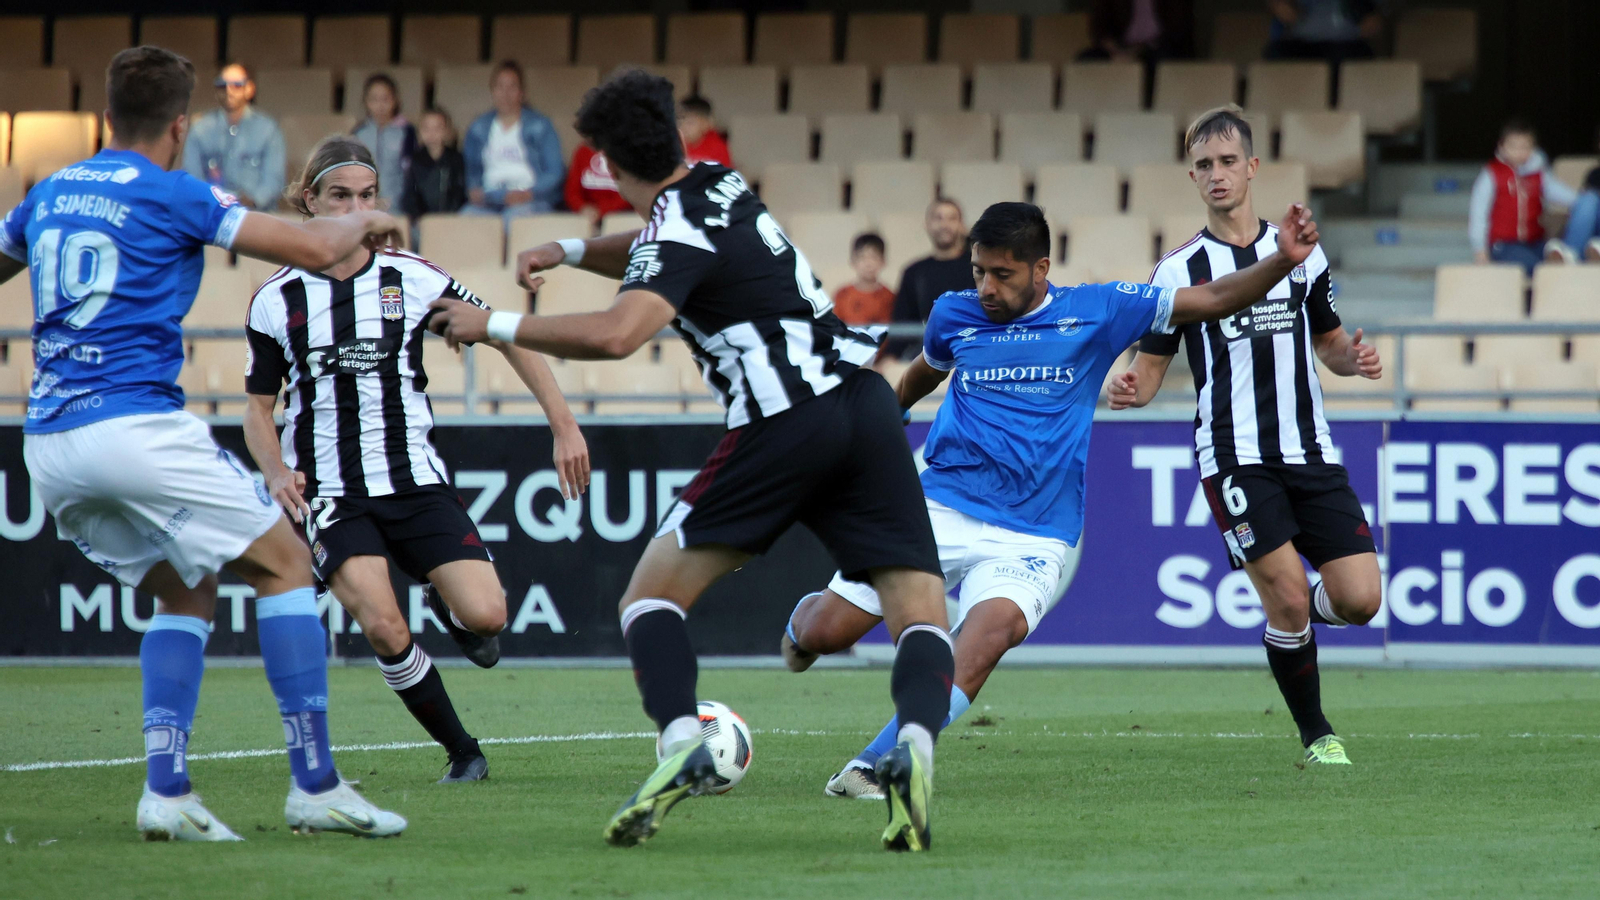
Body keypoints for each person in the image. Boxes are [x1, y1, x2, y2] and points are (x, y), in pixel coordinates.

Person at [428, 70, 955, 853]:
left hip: (784, 422)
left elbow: (619, 333)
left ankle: (683, 739)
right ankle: (913, 745)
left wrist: (494, 322)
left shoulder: (674, 222)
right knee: (920, 608)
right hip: (867, 401)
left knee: (650, 602)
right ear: (677, 137)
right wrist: (570, 248)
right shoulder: (718, 182)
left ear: (606, 162)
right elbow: (655, 246)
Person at [785, 197, 1330, 798]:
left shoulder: (1097, 311)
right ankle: (801, 628)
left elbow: (1216, 298)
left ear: (1041, 269)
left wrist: (1283, 260)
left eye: (1002, 274)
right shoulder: (953, 315)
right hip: (938, 507)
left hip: (1035, 530)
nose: (986, 288)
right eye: (978, 272)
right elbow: (918, 378)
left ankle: (875, 763)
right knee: (823, 634)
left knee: (990, 634)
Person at [0, 46, 407, 840]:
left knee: (185, 587)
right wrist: (371, 216)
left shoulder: (47, 191)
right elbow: (322, 250)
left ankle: (169, 793)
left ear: (108, 115)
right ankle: (316, 786)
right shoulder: (176, 191)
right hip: (133, 426)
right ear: (182, 126)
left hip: (48, 440)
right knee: (287, 561)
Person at [242, 137, 591, 784]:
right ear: (309, 200)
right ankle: (464, 751)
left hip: (413, 481)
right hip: (332, 494)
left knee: (488, 616)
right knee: (382, 623)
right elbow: (258, 409)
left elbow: (504, 334)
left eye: (366, 196)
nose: (354, 208)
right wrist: (272, 469)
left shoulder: (412, 276)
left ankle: (442, 592)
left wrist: (564, 426)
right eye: (339, 196)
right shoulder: (275, 298)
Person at [1108, 106, 1384, 766]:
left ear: (1252, 167)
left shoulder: (1299, 251)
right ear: (1192, 177)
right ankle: (1318, 733)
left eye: (1228, 161)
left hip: (1310, 450)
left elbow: (1330, 344)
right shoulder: (1178, 272)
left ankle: (1291, 619)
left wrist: (1355, 360)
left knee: (1360, 601)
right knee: (1288, 598)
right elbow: (1147, 376)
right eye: (1203, 165)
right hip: (1233, 458)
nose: (1217, 174)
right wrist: (1125, 389)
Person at [1467, 119, 1580, 273]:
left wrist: (1586, 202)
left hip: (1536, 242)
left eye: (1525, 147)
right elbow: (1479, 213)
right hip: (1503, 245)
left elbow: (1564, 195)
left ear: (1533, 148)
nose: (1519, 152)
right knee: (1534, 268)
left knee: (1559, 265)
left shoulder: (1539, 174)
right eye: (1513, 147)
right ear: (1502, 147)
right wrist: (1480, 249)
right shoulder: (1491, 174)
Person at [461, 61, 566, 222]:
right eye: (500, 87)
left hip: (530, 200)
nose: (505, 94)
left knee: (512, 221)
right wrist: (474, 190)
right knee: (465, 219)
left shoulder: (541, 126)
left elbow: (554, 172)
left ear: (522, 92)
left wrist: (529, 193)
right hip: (489, 200)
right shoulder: (478, 127)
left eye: (512, 87)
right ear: (492, 91)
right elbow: (471, 171)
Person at [181, 61, 286, 211]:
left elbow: (274, 181)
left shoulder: (268, 129)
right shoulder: (200, 129)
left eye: (237, 85)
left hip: (257, 216)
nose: (229, 91)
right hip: (212, 215)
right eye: (222, 85)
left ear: (249, 89)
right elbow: (192, 176)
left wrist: (253, 200)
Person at [886, 199, 974, 358]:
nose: (944, 225)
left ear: (962, 226)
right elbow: (903, 324)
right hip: (925, 353)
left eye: (951, 218)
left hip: (973, 348)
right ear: (926, 224)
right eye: (938, 218)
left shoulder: (979, 267)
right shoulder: (913, 272)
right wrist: (890, 357)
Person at [351, 73, 416, 212]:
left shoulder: (406, 132)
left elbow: (410, 172)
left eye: (385, 99)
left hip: (397, 205)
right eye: (374, 100)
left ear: (395, 101)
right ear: (366, 102)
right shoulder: (358, 133)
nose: (380, 105)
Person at [1266, 0, 1385, 64]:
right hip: (1299, 43)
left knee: (1361, 55)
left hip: (1348, 45)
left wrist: (1373, 19)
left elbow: (1378, 20)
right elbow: (1281, 8)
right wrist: (1280, 6)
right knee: (1277, 53)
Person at [402, 108, 468, 218]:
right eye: (426, 129)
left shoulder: (456, 159)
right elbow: (410, 194)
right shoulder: (415, 160)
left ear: (447, 131)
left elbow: (460, 192)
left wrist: (450, 215)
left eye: (437, 128)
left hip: (451, 218)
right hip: (422, 220)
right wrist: (418, 216)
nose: (431, 133)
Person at [832, 233, 896, 326]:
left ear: (883, 261)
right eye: (862, 257)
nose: (868, 264)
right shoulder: (842, 295)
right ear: (853, 261)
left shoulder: (890, 298)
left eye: (874, 257)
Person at [565, 139, 631, 229]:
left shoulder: (627, 151)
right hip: (586, 218)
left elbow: (632, 192)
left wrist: (601, 210)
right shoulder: (584, 150)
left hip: (622, 218)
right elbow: (572, 191)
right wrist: (582, 207)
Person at [678, 95, 732, 167]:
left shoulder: (717, 147)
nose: (683, 128)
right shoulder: (677, 145)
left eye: (690, 123)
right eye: (680, 123)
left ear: (706, 124)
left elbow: (724, 173)